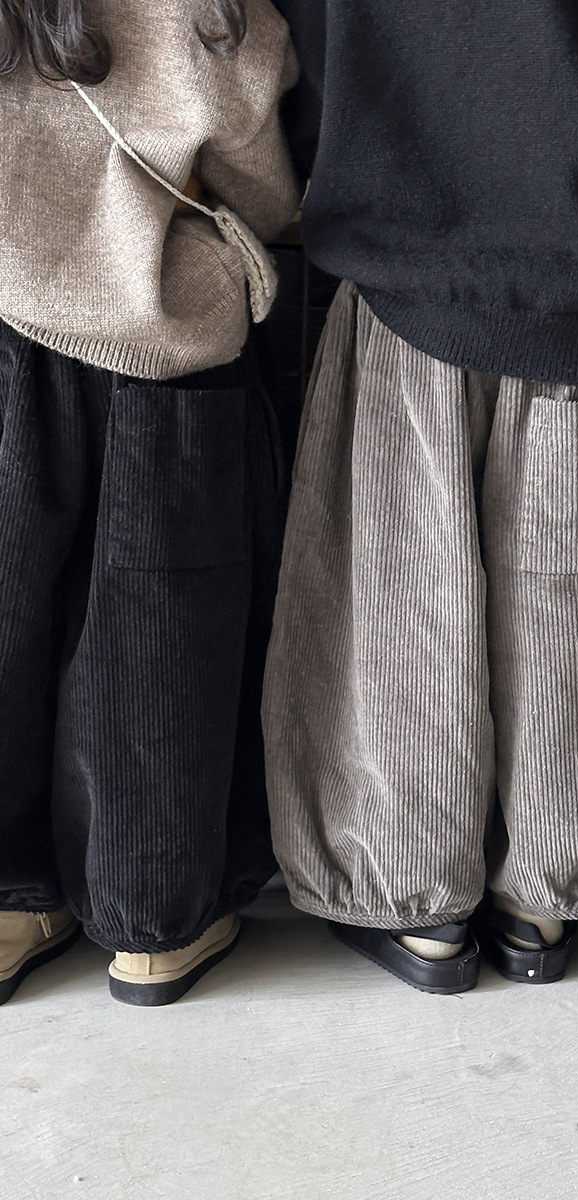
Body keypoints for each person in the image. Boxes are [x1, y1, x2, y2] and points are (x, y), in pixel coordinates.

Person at [263, 0, 578, 993]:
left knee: (398, 607)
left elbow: (303, 96)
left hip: (406, 305)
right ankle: (546, 901)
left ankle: (417, 907)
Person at [0, 0, 298, 1006]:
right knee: (157, 637)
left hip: (6, 335)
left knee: (7, 621)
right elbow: (265, 189)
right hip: (163, 349)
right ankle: (154, 923)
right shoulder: (208, 11)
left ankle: (11, 907)